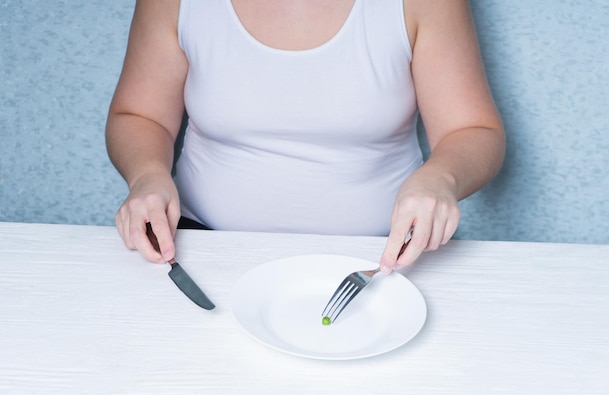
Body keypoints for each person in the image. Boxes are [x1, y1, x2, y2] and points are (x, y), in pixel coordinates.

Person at [106, 0, 505, 274]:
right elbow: (140, 115)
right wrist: (146, 176)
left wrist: (442, 179)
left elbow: (472, 130)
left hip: (383, 257)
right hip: (199, 251)